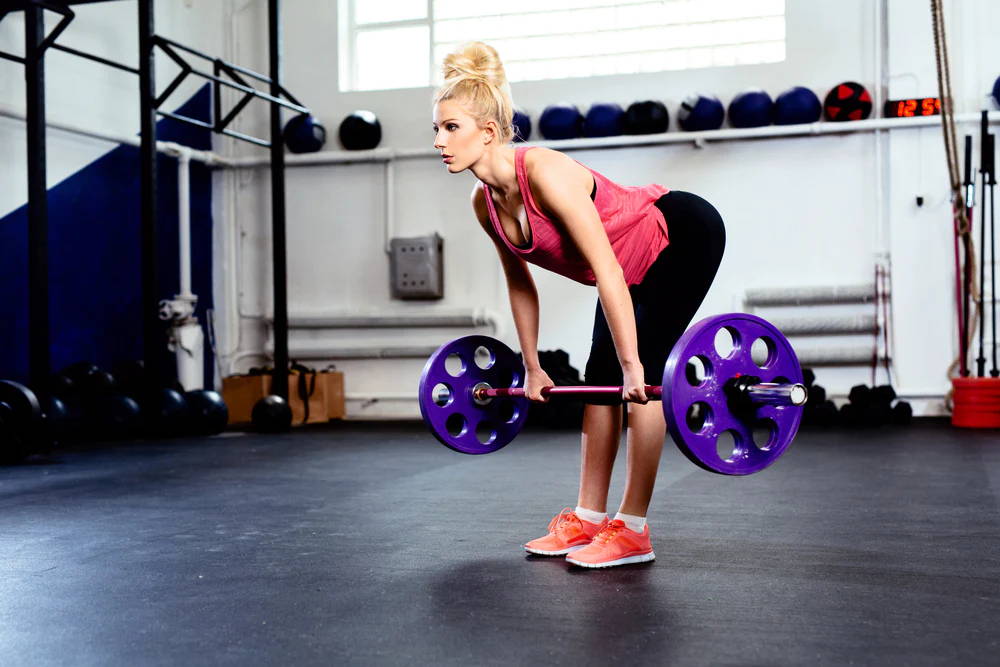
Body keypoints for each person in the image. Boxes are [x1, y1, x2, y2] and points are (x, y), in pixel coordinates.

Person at [432, 42, 725, 569]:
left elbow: (607, 269)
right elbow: (520, 284)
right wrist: (532, 365)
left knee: (640, 377)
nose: (439, 142)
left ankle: (632, 528)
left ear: (489, 132)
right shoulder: (485, 204)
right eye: (437, 129)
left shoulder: (545, 173)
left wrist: (636, 366)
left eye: (450, 128)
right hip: (624, 265)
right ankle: (589, 518)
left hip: (679, 234)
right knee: (599, 373)